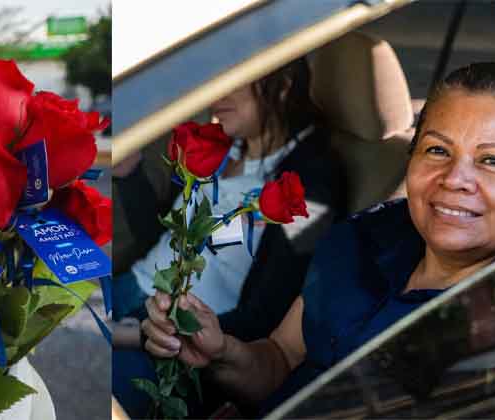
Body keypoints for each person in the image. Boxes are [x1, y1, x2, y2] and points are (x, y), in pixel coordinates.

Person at [141, 62, 495, 415]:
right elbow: (282, 357)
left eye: (492, 161)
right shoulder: (367, 235)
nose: (454, 179)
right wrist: (223, 353)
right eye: (436, 150)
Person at [112, 57, 346, 418]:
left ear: (281, 83)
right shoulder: (224, 147)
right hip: (130, 292)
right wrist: (129, 174)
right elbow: (166, 240)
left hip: (176, 344)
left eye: (232, 78)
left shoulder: (311, 187)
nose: (214, 94)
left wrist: (140, 333)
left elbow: (267, 314)